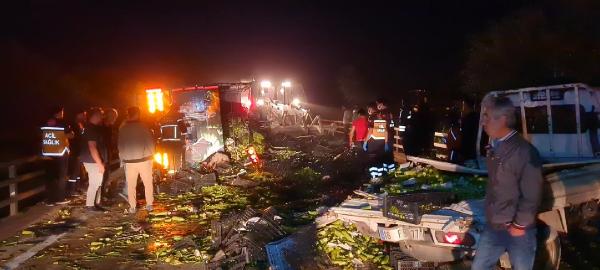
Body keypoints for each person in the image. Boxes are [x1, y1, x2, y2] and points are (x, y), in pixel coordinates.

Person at [471, 96, 543, 270]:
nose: (483, 122)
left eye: (487, 117)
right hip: (495, 225)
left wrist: (519, 224)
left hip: (517, 230)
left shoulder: (523, 151)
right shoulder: (497, 146)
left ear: (502, 119)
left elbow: (533, 192)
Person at [118, 107, 156, 213]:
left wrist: (123, 159)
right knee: (148, 183)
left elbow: (120, 145)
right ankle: (149, 204)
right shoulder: (143, 126)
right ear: (138, 114)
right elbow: (150, 142)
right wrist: (152, 154)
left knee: (131, 185)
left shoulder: (123, 128)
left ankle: (133, 206)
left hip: (129, 161)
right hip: (144, 159)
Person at [44, 106, 74, 205]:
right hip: (60, 153)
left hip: (48, 153)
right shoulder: (62, 123)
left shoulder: (45, 122)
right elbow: (71, 135)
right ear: (59, 113)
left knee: (50, 177)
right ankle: (60, 198)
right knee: (61, 176)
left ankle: (50, 199)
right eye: (62, 112)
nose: (63, 114)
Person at [80, 107, 107, 211]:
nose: (102, 116)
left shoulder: (91, 127)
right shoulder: (91, 128)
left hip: (92, 160)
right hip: (92, 160)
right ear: (95, 115)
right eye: (101, 114)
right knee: (95, 182)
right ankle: (90, 205)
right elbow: (92, 147)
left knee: (97, 182)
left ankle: (94, 204)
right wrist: (99, 163)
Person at [99, 108, 119, 202]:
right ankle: (101, 194)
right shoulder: (102, 126)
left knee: (107, 174)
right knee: (103, 174)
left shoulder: (110, 127)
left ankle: (104, 192)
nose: (115, 118)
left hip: (108, 152)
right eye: (113, 116)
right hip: (102, 153)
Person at [68, 109, 86, 195]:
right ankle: (71, 190)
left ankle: (77, 188)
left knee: (78, 172)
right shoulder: (73, 125)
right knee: (74, 172)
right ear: (78, 115)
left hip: (79, 151)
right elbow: (75, 140)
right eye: (83, 114)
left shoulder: (80, 124)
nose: (84, 116)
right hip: (75, 151)